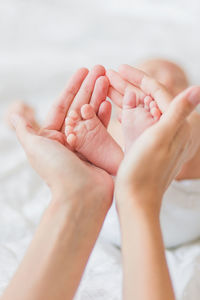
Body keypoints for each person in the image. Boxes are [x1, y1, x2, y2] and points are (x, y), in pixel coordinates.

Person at [3, 64, 200, 300]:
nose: (167, 79)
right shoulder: (119, 120)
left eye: (179, 80)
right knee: (179, 131)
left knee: (190, 128)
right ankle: (129, 156)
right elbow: (50, 134)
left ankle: (134, 154)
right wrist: (28, 121)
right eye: (154, 73)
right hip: (122, 206)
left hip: (132, 208)